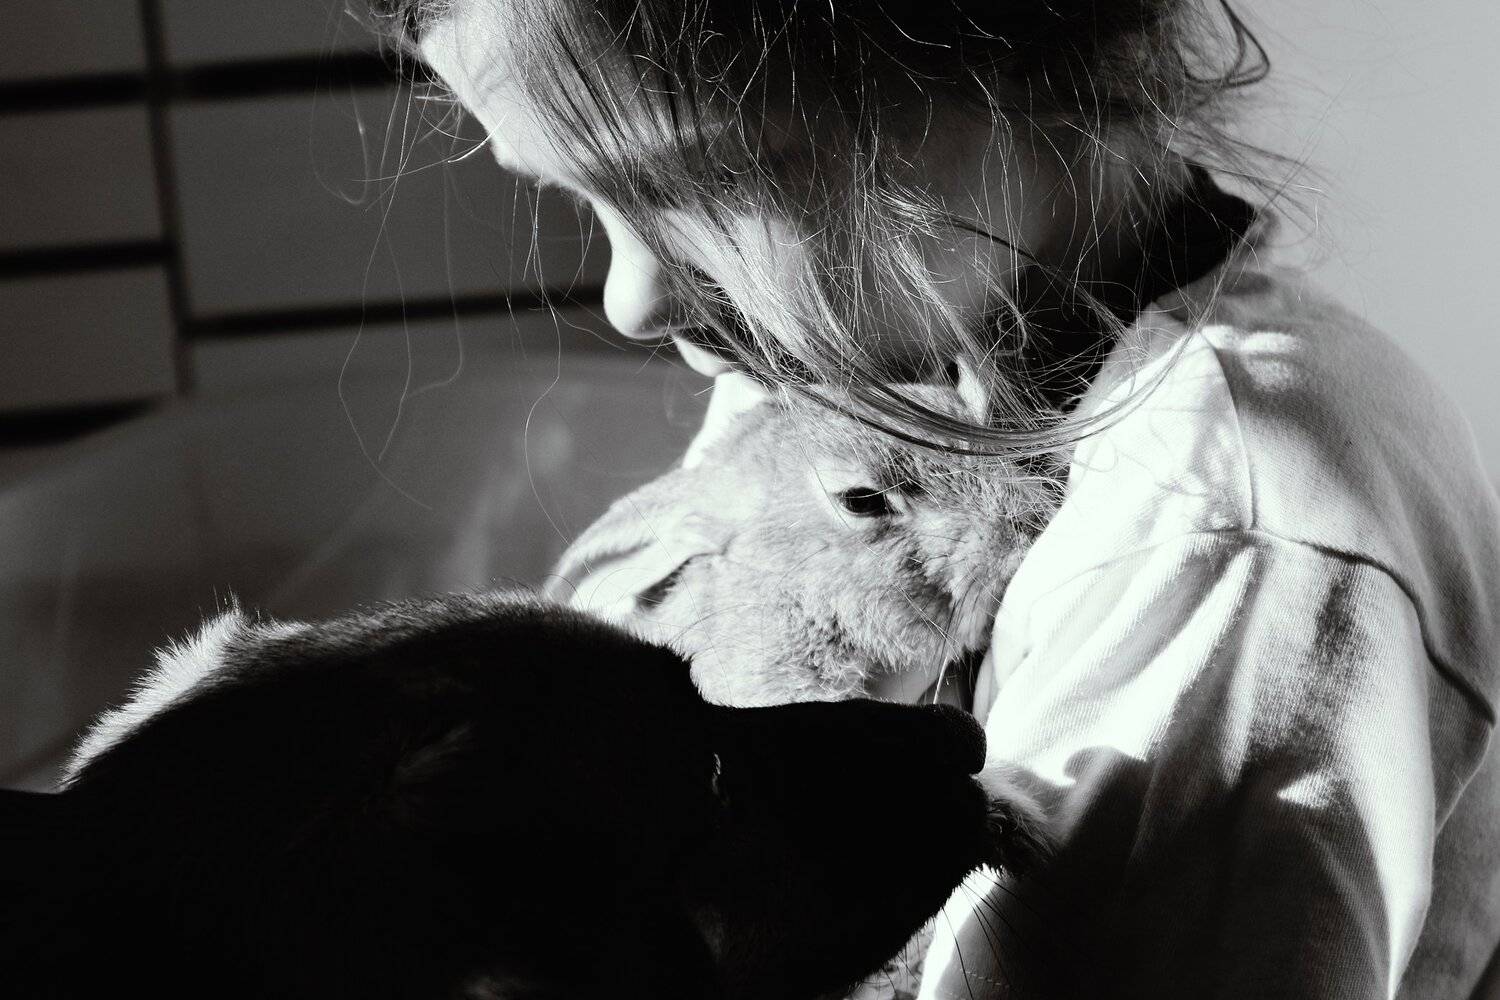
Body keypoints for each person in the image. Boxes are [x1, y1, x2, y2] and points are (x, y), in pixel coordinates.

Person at [367, 1, 1500, 996]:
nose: (632, 301)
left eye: (715, 179)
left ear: (1019, 44)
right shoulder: (866, 351)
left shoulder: (1221, 535)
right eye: (581, 196)